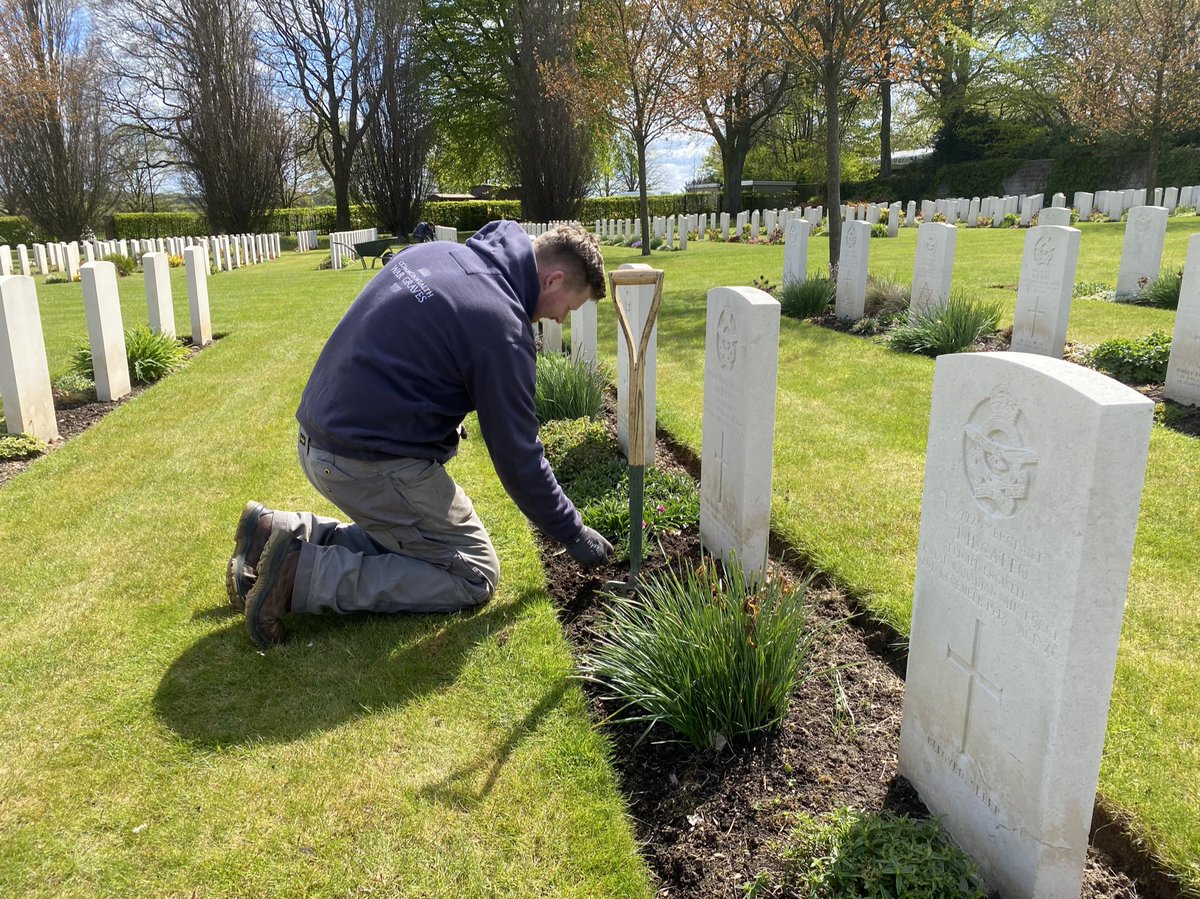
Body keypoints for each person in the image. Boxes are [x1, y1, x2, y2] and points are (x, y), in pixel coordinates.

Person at [227, 220, 614, 647]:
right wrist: (572, 531)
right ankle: (301, 575)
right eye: (569, 306)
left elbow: (403, 345)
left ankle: (274, 533)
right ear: (553, 278)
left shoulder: (436, 255)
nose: (561, 317)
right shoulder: (501, 327)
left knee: (426, 543)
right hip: (363, 460)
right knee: (473, 571)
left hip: (320, 434)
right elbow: (519, 456)